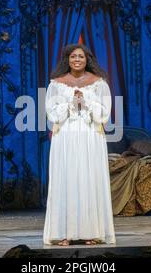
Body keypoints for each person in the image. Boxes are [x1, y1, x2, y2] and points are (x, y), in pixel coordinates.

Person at [43, 44, 116, 246]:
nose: (77, 59)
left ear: (87, 59)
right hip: (65, 137)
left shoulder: (99, 83)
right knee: (65, 181)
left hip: (91, 136)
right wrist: (69, 104)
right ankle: (62, 233)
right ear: (67, 59)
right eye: (73, 56)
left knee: (89, 181)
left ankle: (90, 232)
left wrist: (86, 102)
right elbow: (52, 114)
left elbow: (104, 113)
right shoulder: (56, 84)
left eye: (81, 56)